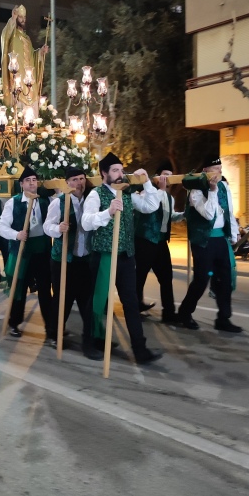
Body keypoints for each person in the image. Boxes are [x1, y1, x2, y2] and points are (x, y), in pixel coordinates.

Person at [81, 152, 163, 364]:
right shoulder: (96, 194)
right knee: (98, 301)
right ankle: (90, 341)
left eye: (121, 170)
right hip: (104, 255)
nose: (120, 174)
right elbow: (86, 222)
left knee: (131, 302)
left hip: (126, 256)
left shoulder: (127, 194)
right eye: (115, 170)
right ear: (104, 173)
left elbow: (151, 206)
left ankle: (140, 349)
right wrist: (108, 212)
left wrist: (147, 183)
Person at [177, 156, 242, 333]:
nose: (219, 171)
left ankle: (223, 318)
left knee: (224, 279)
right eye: (215, 168)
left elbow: (228, 211)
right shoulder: (195, 190)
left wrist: (234, 232)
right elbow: (208, 214)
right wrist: (212, 191)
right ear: (205, 171)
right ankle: (185, 312)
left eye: (220, 168)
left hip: (221, 238)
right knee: (202, 279)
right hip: (203, 241)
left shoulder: (224, 186)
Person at [0, 166, 52, 339]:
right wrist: (16, 235)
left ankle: (51, 328)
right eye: (28, 181)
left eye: (34, 180)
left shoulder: (45, 201)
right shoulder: (13, 203)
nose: (32, 183)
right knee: (19, 289)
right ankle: (14, 322)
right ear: (21, 184)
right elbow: (1, 227)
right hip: (22, 252)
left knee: (45, 290)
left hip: (42, 252)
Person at [43, 166, 92, 348]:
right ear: (67, 183)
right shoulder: (59, 203)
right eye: (74, 180)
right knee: (63, 299)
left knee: (87, 300)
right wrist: (58, 228)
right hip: (63, 259)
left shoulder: (90, 201)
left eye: (82, 179)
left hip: (84, 259)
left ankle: (92, 336)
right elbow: (47, 226)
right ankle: (54, 334)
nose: (79, 183)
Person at [135, 167, 185, 324]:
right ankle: (135, 309)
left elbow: (170, 216)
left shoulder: (170, 198)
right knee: (139, 277)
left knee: (166, 277)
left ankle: (168, 313)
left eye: (170, 176)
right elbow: (150, 207)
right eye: (164, 175)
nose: (167, 179)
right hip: (145, 240)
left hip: (161, 242)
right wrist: (161, 190)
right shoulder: (147, 193)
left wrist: (184, 215)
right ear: (157, 178)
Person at [0, 4, 48, 109]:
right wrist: (13, 19)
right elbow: (5, 34)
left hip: (29, 80)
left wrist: (40, 52)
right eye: (20, 17)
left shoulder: (27, 39)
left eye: (24, 17)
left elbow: (32, 56)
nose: (23, 20)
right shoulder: (12, 35)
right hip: (17, 78)